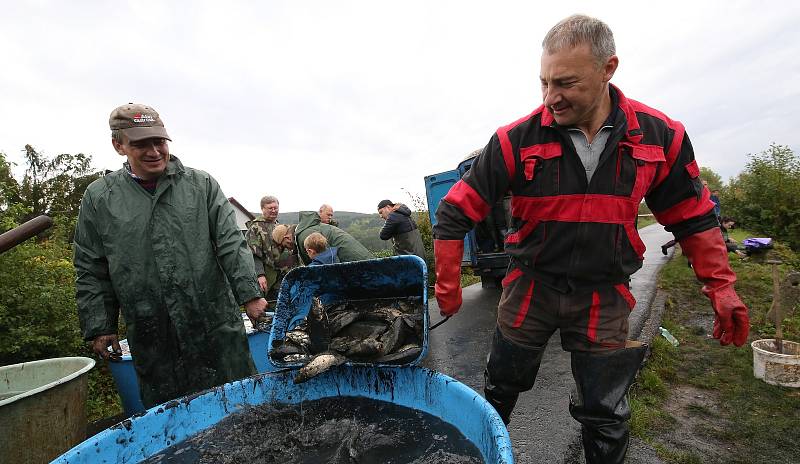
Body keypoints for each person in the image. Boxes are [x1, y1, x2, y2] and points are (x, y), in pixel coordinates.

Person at [431, 15, 749, 464]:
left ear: (608, 68)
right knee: (501, 385)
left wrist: (721, 286)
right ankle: (481, 454)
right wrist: (447, 287)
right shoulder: (513, 140)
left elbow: (692, 216)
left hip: (604, 295)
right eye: (543, 82)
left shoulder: (660, 137)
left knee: (604, 410)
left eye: (565, 83)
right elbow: (455, 211)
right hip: (530, 287)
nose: (550, 98)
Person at [74, 103, 267, 408]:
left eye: (159, 142)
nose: (153, 151)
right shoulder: (100, 198)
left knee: (241, 404)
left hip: (213, 321)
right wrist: (101, 325)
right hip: (151, 330)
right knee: (174, 418)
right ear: (118, 145)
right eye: (140, 144)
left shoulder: (200, 184)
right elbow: (91, 266)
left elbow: (231, 242)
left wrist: (249, 294)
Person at [246, 195, 297, 302]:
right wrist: (260, 275)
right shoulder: (256, 228)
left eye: (276, 208)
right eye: (270, 208)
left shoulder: (280, 226)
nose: (274, 211)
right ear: (262, 209)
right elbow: (253, 254)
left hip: (282, 276)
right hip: (266, 277)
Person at [294, 211, 374, 265]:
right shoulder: (320, 228)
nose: (330, 217)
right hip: (365, 260)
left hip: (356, 264)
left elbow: (326, 261)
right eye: (328, 215)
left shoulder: (305, 234)